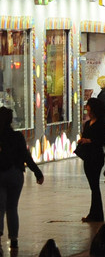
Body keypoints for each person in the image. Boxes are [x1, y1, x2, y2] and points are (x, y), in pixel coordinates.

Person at [0, 105, 42, 253]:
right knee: (12, 208)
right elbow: (25, 156)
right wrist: (38, 173)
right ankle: (14, 240)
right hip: (15, 175)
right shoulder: (17, 136)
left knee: (0, 208)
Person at [77, 97, 105, 222]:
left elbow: (102, 140)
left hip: (96, 156)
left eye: (90, 110)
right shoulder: (87, 124)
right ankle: (95, 212)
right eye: (87, 111)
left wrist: (89, 141)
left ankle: (96, 214)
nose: (88, 113)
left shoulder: (101, 124)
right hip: (88, 156)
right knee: (93, 186)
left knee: (94, 186)